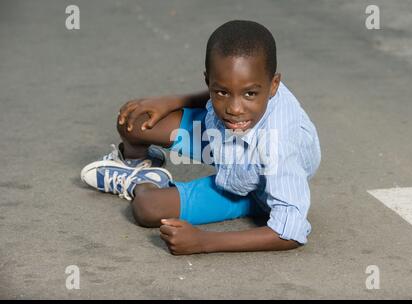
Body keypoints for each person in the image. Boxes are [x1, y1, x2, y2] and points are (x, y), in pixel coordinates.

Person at [81, 20, 321, 255]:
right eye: (222, 92)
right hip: (223, 140)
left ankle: (139, 183)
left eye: (250, 93)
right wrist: (172, 101)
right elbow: (230, 87)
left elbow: (290, 232)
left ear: (274, 85)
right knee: (136, 120)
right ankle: (139, 167)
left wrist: (203, 241)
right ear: (208, 81)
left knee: (147, 208)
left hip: (255, 187)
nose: (235, 109)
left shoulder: (280, 142)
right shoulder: (243, 95)